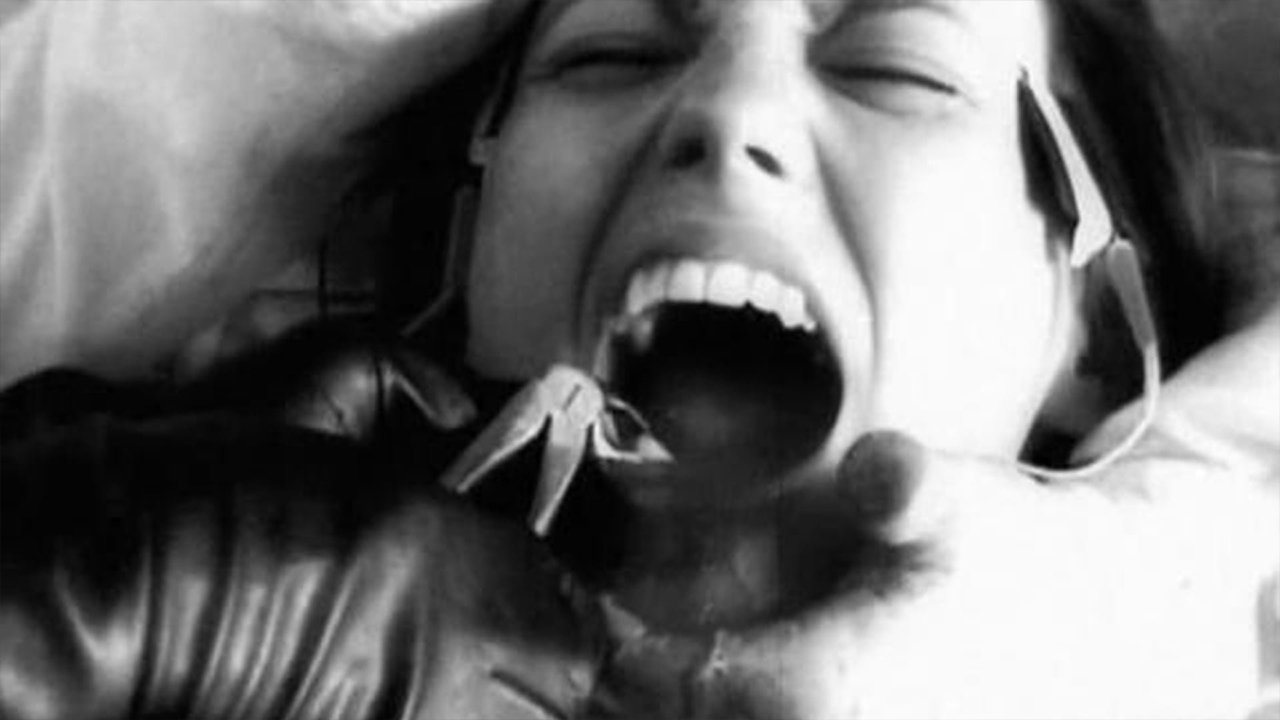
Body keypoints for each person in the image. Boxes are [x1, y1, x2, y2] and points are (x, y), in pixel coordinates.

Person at [1, 1, 1276, 718]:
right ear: (463, 254)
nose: (726, 112)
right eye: (610, 53)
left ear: (1094, 330)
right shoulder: (146, 549)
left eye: (897, 69)